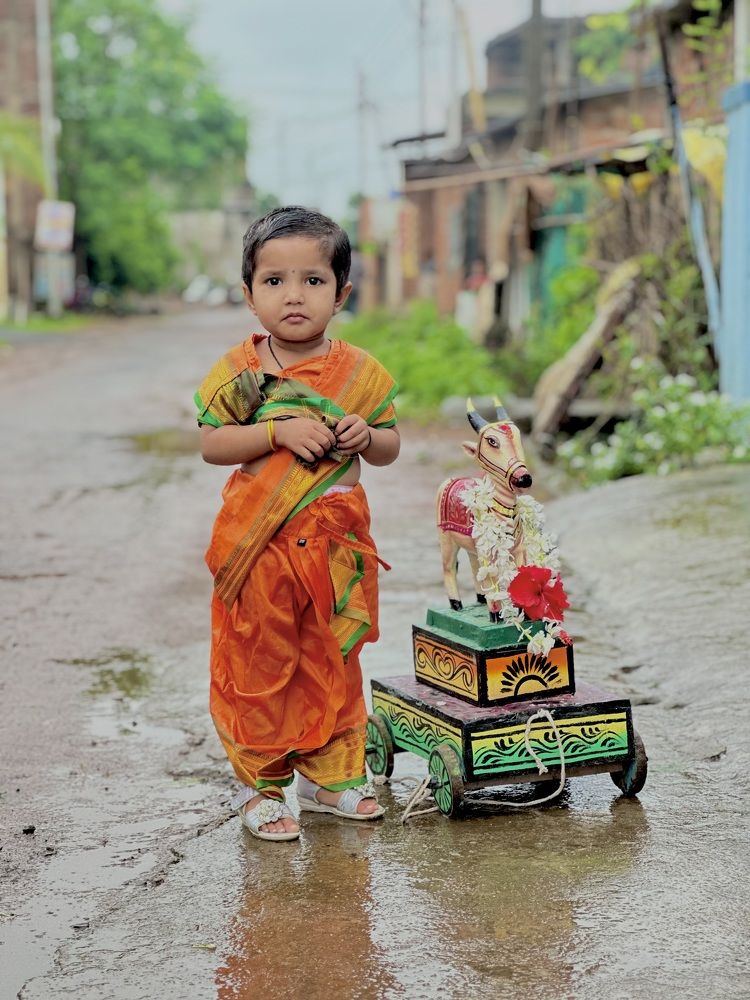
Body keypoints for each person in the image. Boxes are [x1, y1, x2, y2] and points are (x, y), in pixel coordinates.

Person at [195, 206, 400, 842]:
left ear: (341, 293)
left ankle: (332, 779)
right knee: (264, 658)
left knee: (332, 655)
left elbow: (390, 446)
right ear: (250, 292)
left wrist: (368, 435)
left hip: (335, 546)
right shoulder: (241, 372)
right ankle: (265, 785)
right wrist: (275, 431)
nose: (293, 296)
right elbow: (211, 444)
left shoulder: (360, 374)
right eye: (275, 281)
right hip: (263, 546)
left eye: (313, 281)